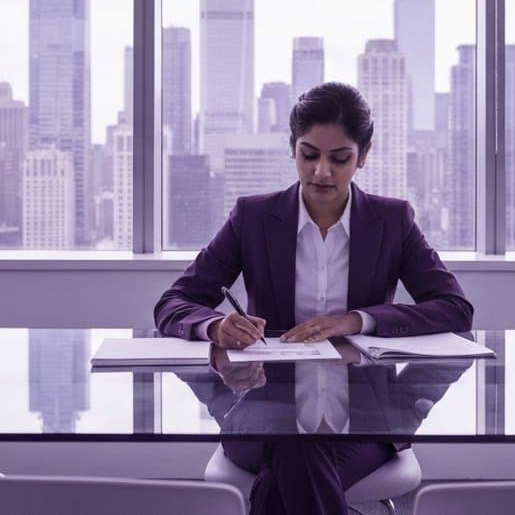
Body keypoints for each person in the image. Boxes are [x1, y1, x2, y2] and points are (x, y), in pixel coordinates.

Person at [154, 81, 473, 515]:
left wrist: (355, 321)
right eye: (310, 154)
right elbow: (173, 303)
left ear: (363, 156)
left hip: (365, 416)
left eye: (339, 158)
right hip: (260, 409)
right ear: (292, 149)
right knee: (297, 448)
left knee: (292, 461)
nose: (322, 171)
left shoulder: (391, 220)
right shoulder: (253, 217)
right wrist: (216, 326)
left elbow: (455, 309)